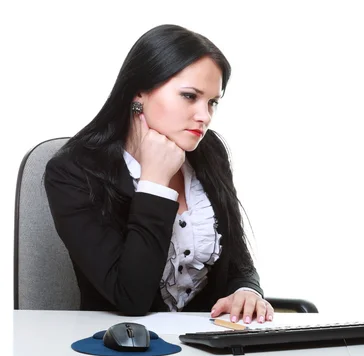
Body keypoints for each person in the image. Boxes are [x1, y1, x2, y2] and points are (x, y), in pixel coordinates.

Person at [44, 24, 274, 324]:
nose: (204, 116)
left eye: (212, 102)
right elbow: (131, 298)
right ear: (139, 93)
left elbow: (237, 261)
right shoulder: (74, 172)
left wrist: (247, 291)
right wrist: (154, 182)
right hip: (116, 351)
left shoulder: (209, 152)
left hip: (203, 349)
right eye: (190, 96)